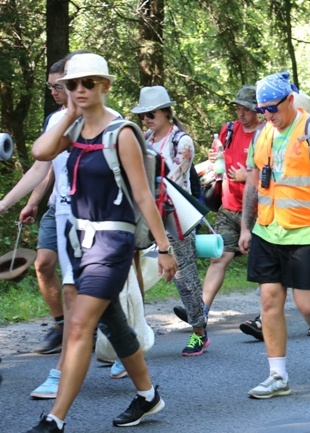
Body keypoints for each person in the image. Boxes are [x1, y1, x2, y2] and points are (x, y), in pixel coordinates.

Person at [27, 52, 177, 433]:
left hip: (112, 242)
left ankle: (54, 420)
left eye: (88, 83)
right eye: (72, 84)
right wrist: (71, 115)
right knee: (112, 320)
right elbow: (40, 152)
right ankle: (147, 396)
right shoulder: (74, 130)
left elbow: (144, 197)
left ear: (105, 86)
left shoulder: (122, 132)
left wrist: (163, 248)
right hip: (79, 242)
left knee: (79, 327)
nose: (79, 90)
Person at [238, 71, 310, 399]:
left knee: (308, 307)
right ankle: (278, 376)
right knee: (269, 300)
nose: (268, 116)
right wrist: (245, 225)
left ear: (289, 100)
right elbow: (255, 183)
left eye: (272, 108)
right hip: (268, 230)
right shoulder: (262, 135)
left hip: (306, 231)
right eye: (262, 111)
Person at [172, 85, 261, 329]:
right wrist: (212, 162)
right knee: (219, 258)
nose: (241, 113)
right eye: (238, 108)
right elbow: (218, 160)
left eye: (246, 109)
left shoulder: (266, 134)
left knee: (263, 264)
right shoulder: (228, 130)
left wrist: (248, 176)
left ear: (258, 110)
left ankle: (266, 318)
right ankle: (200, 310)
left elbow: (277, 173)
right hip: (229, 205)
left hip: (258, 210)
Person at [131, 86, 209, 356]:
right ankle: (134, 331)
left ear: (166, 111)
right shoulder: (143, 138)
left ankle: (199, 331)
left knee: (184, 275)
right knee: (133, 267)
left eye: (151, 113)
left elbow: (173, 178)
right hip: (146, 211)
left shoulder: (182, 140)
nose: (147, 119)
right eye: (143, 115)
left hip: (174, 213)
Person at [0, 59, 68, 355]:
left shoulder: (105, 120)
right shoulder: (54, 121)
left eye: (58, 86)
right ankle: (63, 326)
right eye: (50, 86)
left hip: (88, 212)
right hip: (57, 206)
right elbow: (45, 167)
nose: (53, 91)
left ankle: (101, 334)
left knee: (81, 280)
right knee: (43, 265)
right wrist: (26, 202)